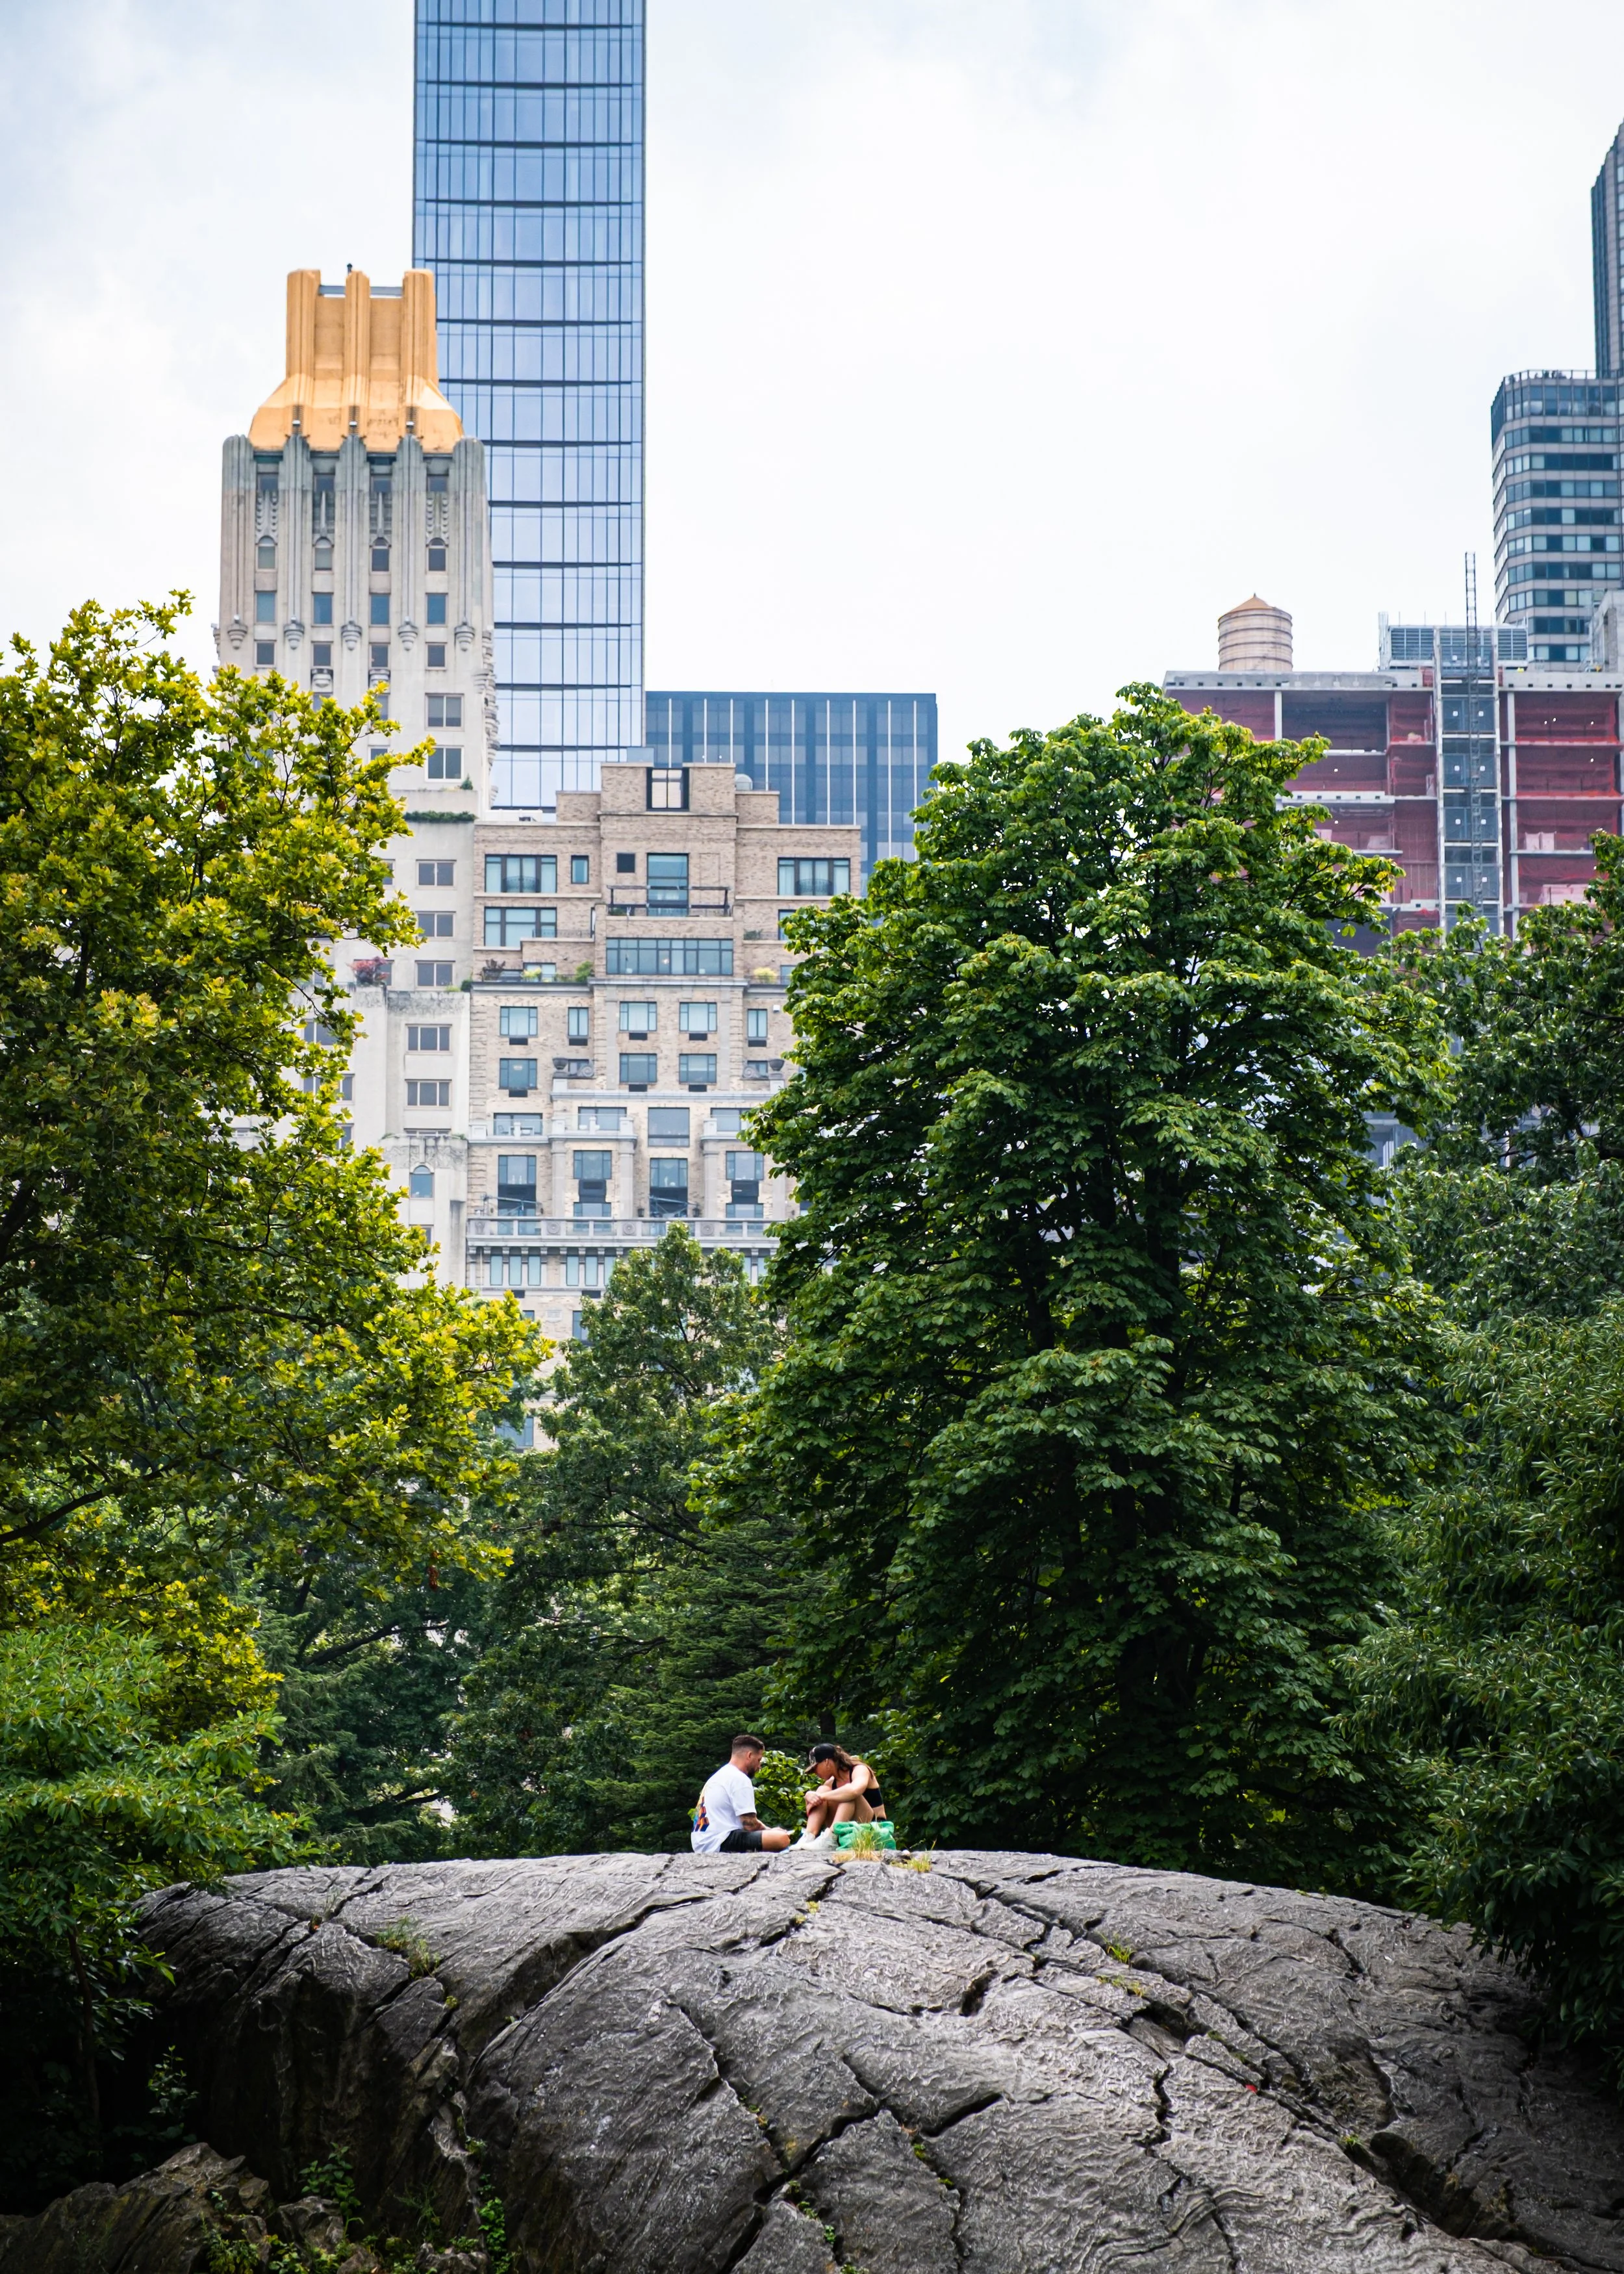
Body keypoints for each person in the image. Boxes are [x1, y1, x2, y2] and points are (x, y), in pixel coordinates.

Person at [691, 1734, 794, 1854]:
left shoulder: (718, 1776)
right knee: (781, 1839)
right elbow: (749, 1825)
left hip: (702, 1842)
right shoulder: (739, 1778)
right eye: (759, 1760)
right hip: (720, 1841)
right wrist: (771, 1832)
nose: (759, 1766)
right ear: (749, 1755)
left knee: (774, 1837)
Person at [796, 1743, 887, 1848]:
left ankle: (831, 1838)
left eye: (816, 1768)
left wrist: (822, 1797)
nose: (815, 1773)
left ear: (827, 1762)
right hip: (848, 1827)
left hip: (873, 1827)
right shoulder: (831, 1782)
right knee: (822, 1789)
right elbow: (813, 1807)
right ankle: (808, 1837)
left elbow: (854, 1790)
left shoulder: (859, 1770)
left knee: (847, 1793)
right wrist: (809, 1796)